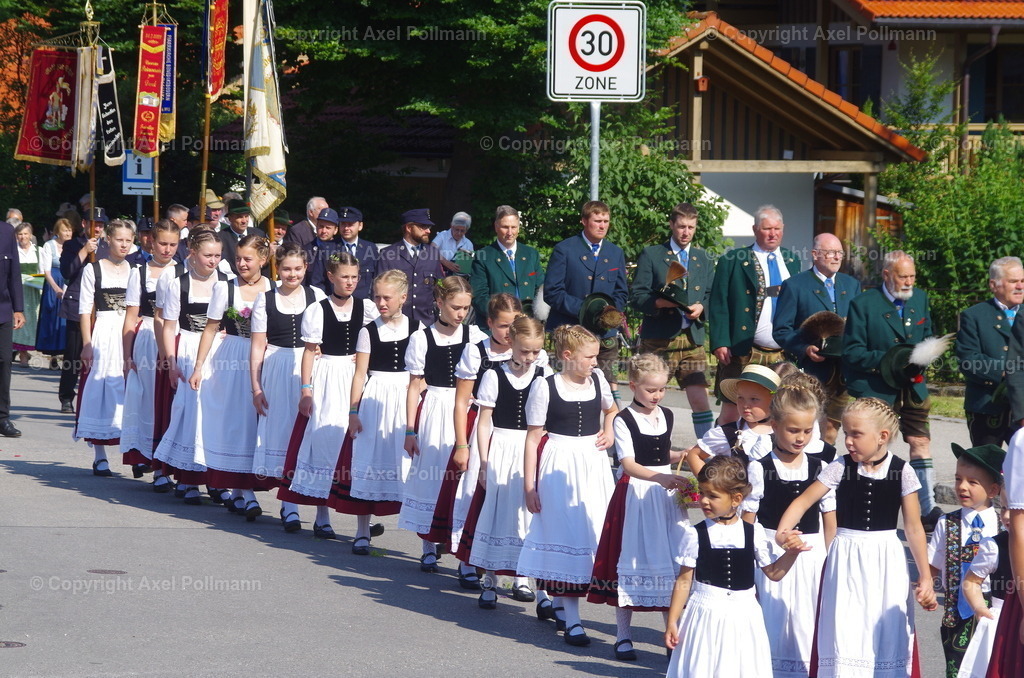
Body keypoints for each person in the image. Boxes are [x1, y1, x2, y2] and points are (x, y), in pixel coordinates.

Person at [775, 397, 938, 677]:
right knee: (845, 625)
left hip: (886, 559)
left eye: (856, 434)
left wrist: (925, 576)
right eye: (846, 433)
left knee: (884, 626)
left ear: (882, 437)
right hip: (846, 557)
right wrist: (783, 533)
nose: (848, 441)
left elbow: (913, 528)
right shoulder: (840, 467)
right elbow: (803, 501)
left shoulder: (902, 470)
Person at [518, 324, 618, 647]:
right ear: (567, 356)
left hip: (592, 462)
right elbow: (533, 437)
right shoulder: (545, 387)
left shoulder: (598, 381)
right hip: (559, 463)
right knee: (565, 533)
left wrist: (610, 431)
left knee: (589, 531)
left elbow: (612, 409)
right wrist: (529, 486)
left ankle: (560, 603)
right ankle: (573, 619)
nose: (595, 363)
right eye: (590, 357)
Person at [665, 456, 806, 677]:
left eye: (712, 495)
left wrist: (792, 553)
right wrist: (673, 620)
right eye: (702, 493)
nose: (703, 500)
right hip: (706, 612)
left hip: (744, 613)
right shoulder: (695, 534)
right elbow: (684, 580)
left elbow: (774, 573)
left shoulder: (753, 532)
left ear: (735, 498)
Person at [587, 353, 688, 661]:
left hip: (665, 497)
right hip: (637, 495)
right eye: (650, 390)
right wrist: (660, 476)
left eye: (661, 389)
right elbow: (628, 463)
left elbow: (661, 451)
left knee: (670, 563)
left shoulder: (667, 415)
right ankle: (623, 635)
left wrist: (684, 453)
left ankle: (670, 634)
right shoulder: (623, 419)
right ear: (633, 386)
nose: (657, 395)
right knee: (631, 560)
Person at [425, 293, 525, 588]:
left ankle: (518, 572)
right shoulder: (476, 351)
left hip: (517, 435)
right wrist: (461, 445)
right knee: (472, 495)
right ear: (490, 323)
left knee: (514, 498)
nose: (509, 332)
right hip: (481, 428)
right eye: (504, 326)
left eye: (515, 324)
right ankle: (467, 560)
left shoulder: (533, 353)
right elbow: (461, 402)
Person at [740, 376, 837, 678]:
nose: (800, 438)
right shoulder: (760, 467)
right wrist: (747, 559)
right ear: (775, 426)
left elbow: (829, 518)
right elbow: (749, 517)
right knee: (774, 616)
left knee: (807, 620)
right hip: (770, 552)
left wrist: (833, 560)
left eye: (807, 431)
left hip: (811, 554)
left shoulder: (820, 468)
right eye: (793, 430)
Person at [282, 252, 379, 539]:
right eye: (344, 276)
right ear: (331, 277)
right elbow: (309, 352)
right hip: (328, 377)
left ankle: (362, 513)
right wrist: (306, 389)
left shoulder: (368, 308)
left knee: (356, 445)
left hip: (355, 375)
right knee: (325, 442)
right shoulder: (318, 309)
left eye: (354, 276)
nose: (349, 282)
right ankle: (322, 514)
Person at [843, 250, 941, 528]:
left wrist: (925, 356)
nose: (909, 281)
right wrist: (890, 361)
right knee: (873, 446)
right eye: (903, 276)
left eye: (912, 276)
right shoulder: (863, 304)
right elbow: (852, 352)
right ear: (886, 275)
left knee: (920, 441)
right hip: (877, 385)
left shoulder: (920, 298)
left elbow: (928, 336)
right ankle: (866, 503)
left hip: (913, 385)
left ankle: (927, 508)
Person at [399, 276, 484, 569]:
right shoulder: (422, 338)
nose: (461, 314)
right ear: (439, 303)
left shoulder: (475, 337)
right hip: (436, 408)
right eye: (455, 307)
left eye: (466, 308)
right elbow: (413, 387)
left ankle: (462, 551)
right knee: (433, 475)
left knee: (463, 481)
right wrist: (410, 429)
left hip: (466, 409)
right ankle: (428, 545)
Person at [469, 315, 552, 611]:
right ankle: (490, 581)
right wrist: (483, 460)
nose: (529, 357)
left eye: (534, 351)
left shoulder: (544, 373)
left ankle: (527, 579)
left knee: (531, 515)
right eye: (523, 351)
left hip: (533, 447)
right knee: (497, 512)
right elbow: (483, 423)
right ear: (510, 343)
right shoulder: (494, 374)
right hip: (502, 446)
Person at [190, 233, 273, 513]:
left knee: (255, 426)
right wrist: (199, 367)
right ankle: (245, 491)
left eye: (247, 259)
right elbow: (211, 328)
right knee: (237, 424)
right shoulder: (225, 289)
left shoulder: (273, 288)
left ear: (263, 259)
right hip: (233, 359)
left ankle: (240, 490)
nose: (241, 264)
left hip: (264, 360)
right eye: (237, 258)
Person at [343, 269, 419, 553]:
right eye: (377, 297)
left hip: (406, 397)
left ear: (403, 297)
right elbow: (360, 374)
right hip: (376, 398)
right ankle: (363, 530)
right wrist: (353, 411)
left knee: (411, 466)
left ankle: (427, 541)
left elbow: (421, 374)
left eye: (387, 297)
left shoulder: (418, 329)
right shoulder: (369, 330)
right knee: (369, 458)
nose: (381, 302)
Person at [250, 243, 324, 530]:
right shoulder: (265, 299)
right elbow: (257, 347)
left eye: (297, 268)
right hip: (278, 366)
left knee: (309, 433)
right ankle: (288, 504)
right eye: (286, 269)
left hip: (311, 367)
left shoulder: (316, 296)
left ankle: (317, 507)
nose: (292, 274)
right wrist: (256, 388)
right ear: (276, 269)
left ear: (305, 268)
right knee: (283, 433)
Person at [152, 230, 231, 503]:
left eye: (218, 256)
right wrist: (171, 362)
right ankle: (189, 478)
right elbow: (168, 325)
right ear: (193, 254)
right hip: (187, 347)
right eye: (208, 255)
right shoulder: (179, 284)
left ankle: (215, 477)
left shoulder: (226, 282)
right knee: (189, 411)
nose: (213, 261)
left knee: (215, 413)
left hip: (219, 350)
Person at [708, 205, 800, 425]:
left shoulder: (792, 260)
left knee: (777, 409)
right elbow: (718, 303)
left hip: (782, 353)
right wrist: (721, 341)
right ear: (755, 229)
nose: (773, 233)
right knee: (732, 409)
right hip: (743, 350)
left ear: (783, 229)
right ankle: (719, 455)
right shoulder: (733, 260)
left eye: (777, 228)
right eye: (767, 228)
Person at [629, 202, 715, 440]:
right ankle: (641, 446)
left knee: (700, 400)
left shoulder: (703, 258)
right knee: (649, 397)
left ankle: (707, 455)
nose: (686, 232)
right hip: (659, 339)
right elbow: (637, 297)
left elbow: (710, 295)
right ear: (671, 225)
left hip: (692, 339)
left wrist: (701, 307)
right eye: (681, 227)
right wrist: (660, 303)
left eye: (691, 227)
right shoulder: (652, 254)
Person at [772, 233, 861, 444]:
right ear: (815, 254)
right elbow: (781, 331)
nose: (837, 257)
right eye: (831, 252)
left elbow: (860, 326)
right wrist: (804, 349)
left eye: (840, 253)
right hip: (812, 371)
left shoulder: (852, 285)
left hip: (843, 372)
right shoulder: (795, 285)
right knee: (806, 426)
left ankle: (824, 472)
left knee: (831, 428)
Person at [927, 444, 1004, 677]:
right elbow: (933, 563)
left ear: (992, 490)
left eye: (972, 482)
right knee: (957, 668)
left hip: (993, 611)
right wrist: (927, 587)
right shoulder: (946, 523)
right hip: (956, 612)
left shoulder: (1003, 526)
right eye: (958, 479)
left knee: (991, 665)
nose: (962, 486)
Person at [543, 201, 628, 401]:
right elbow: (552, 292)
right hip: (572, 330)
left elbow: (622, 292)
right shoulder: (565, 249)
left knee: (607, 387)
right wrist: (586, 310)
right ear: (584, 221)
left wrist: (611, 314)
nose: (603, 226)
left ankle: (611, 428)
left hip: (605, 333)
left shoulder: (615, 252)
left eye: (606, 221)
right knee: (569, 387)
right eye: (597, 221)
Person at [120, 220, 180, 477]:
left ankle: (166, 463)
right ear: (151, 243)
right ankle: (149, 458)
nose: (167, 250)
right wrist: (126, 356)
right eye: (163, 244)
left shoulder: (183, 271)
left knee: (171, 401)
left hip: (177, 336)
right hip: (146, 339)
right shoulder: (140, 272)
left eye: (173, 244)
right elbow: (131, 317)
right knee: (150, 399)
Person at [75, 220, 135, 475]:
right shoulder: (94, 269)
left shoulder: (135, 269)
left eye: (128, 240)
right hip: (104, 330)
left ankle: (135, 451)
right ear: (108, 239)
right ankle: (100, 454)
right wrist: (87, 344)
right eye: (119, 239)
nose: (123, 244)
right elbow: (85, 309)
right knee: (101, 388)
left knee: (130, 388)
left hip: (130, 331)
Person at [956, 256, 1023, 446]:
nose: (1020, 286)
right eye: (1013, 281)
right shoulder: (975, 316)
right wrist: (1009, 371)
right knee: (987, 468)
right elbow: (968, 360)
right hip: (987, 405)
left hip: (1022, 406)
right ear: (994, 285)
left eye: (1022, 281)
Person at [957, 497, 1011, 678]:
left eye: (1015, 509)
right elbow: (971, 581)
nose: (1007, 516)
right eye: (1003, 508)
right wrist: (980, 607)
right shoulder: (995, 546)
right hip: (1003, 623)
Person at [59, 208, 106, 414]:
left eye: (101, 225)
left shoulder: (106, 246)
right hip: (77, 304)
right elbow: (67, 272)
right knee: (73, 354)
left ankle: (95, 395)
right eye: (94, 224)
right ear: (85, 224)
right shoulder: (72, 245)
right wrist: (85, 251)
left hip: (101, 307)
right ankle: (67, 396)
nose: (98, 228)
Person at [469, 205, 544, 329]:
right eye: (505, 227)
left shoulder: (531, 254)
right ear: (496, 227)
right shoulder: (483, 256)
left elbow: (540, 289)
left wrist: (538, 318)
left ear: (519, 228)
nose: (510, 233)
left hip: (527, 325)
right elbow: (479, 296)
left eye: (513, 227)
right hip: (498, 326)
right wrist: (502, 318)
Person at [376, 208, 444, 326]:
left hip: (425, 322)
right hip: (396, 322)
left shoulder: (433, 253)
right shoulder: (388, 254)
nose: (428, 231)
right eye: (423, 227)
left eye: (429, 227)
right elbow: (378, 289)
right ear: (409, 228)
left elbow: (440, 287)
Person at [0, 218, 25, 437]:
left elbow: (14, 272)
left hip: (3, 308)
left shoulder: (7, 231)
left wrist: (18, 308)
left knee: (5, 360)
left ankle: (2, 417)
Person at [36, 217, 72, 367]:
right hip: (54, 284)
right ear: (58, 232)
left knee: (66, 319)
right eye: (65, 230)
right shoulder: (49, 246)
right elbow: (47, 271)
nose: (68, 233)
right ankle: (53, 355)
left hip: (69, 282)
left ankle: (66, 353)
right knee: (53, 318)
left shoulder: (73, 245)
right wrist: (56, 288)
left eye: (70, 230)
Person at [335, 207, 378, 300]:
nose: (346, 228)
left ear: (360, 226)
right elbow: (318, 281)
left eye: (350, 224)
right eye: (343, 224)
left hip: (364, 304)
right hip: (337, 303)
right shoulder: (328, 248)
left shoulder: (370, 248)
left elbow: (376, 279)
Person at [13, 223, 40, 365]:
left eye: (25, 234)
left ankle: (27, 351)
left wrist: (36, 279)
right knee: (18, 324)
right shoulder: (14, 251)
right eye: (20, 234)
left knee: (31, 322)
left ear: (31, 235)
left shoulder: (38, 251)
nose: (23, 237)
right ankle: (23, 354)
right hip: (18, 291)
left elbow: (43, 272)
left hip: (34, 291)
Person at [218, 199, 267, 276]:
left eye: (246, 216)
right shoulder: (221, 238)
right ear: (230, 218)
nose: (244, 221)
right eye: (239, 217)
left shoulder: (259, 234)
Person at [302, 207, 342, 294]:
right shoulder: (305, 249)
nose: (324, 231)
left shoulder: (341, 250)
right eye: (321, 226)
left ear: (335, 230)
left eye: (328, 228)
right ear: (316, 226)